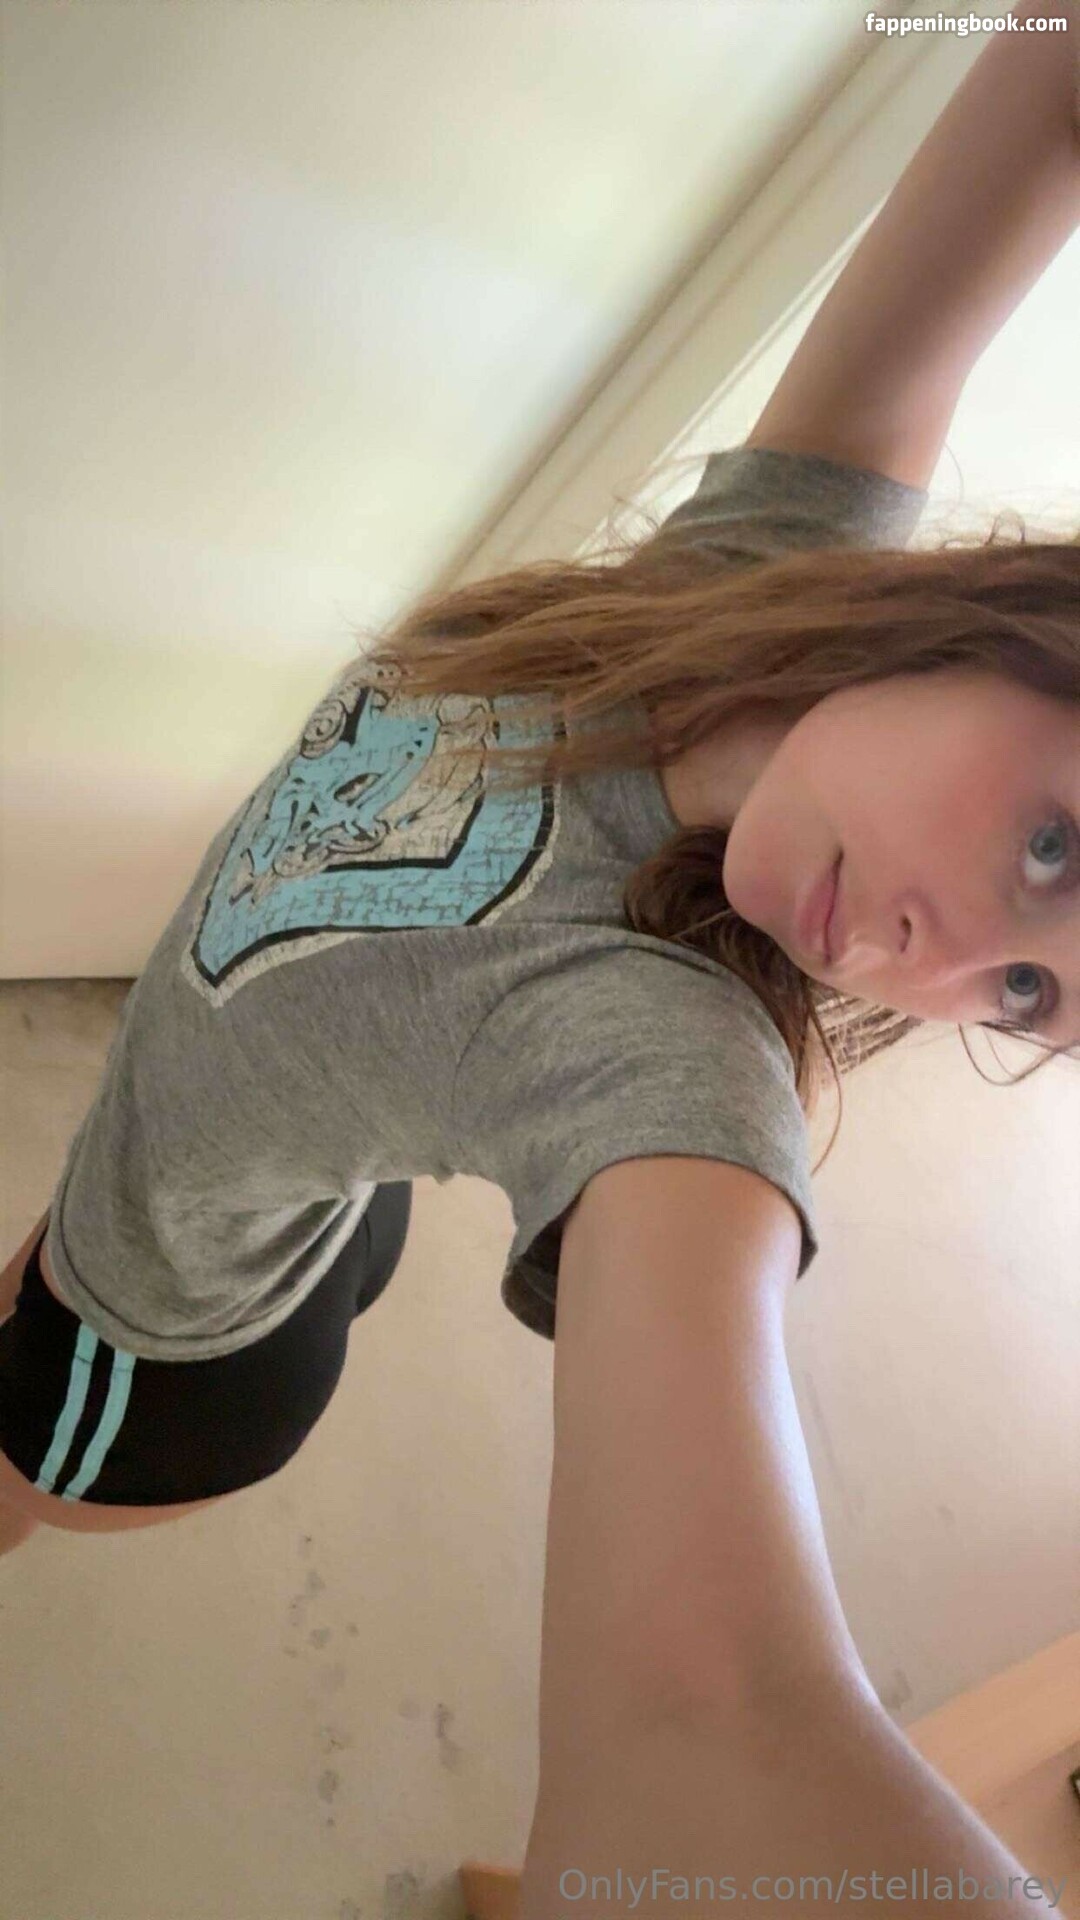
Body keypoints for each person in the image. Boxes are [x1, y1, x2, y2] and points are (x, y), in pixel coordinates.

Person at [2, 4, 1078, 1911]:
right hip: (306, 1187)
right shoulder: (770, 567)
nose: (941, 959)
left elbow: (708, 1714)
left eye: (1028, 998)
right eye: (1055, 851)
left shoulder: (667, 1075)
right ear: (1025, 626)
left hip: (151, 1362)